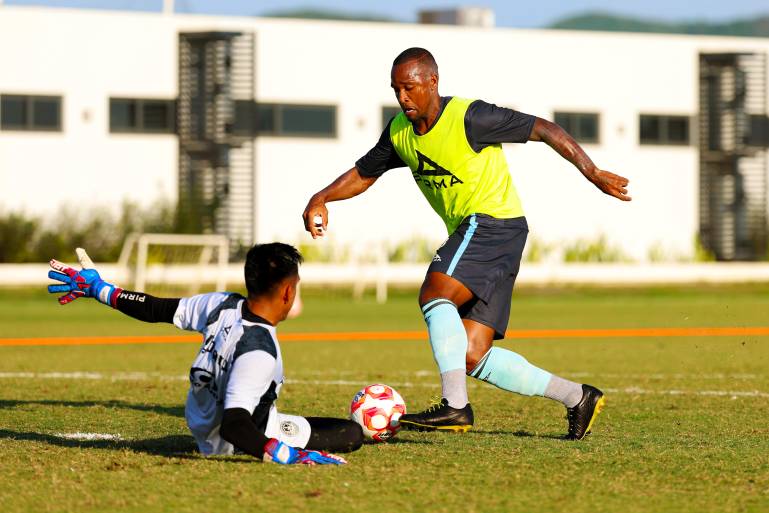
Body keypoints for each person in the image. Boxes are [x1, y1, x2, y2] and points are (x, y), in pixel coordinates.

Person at [302, 47, 631, 440]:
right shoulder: (399, 133)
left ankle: (455, 406)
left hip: (490, 222)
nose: (402, 98)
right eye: (396, 90)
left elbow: (543, 128)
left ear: (432, 83)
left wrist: (591, 171)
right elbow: (364, 172)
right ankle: (578, 397)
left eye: (409, 88)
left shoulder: (471, 117)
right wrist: (321, 197)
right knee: (472, 354)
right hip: (498, 232)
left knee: (434, 293)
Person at [47, 244, 363, 464]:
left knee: (343, 427)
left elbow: (156, 308)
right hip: (235, 444)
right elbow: (235, 425)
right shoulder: (260, 351)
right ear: (288, 292)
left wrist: (100, 290)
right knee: (352, 434)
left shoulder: (222, 304)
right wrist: (284, 454)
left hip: (204, 424)